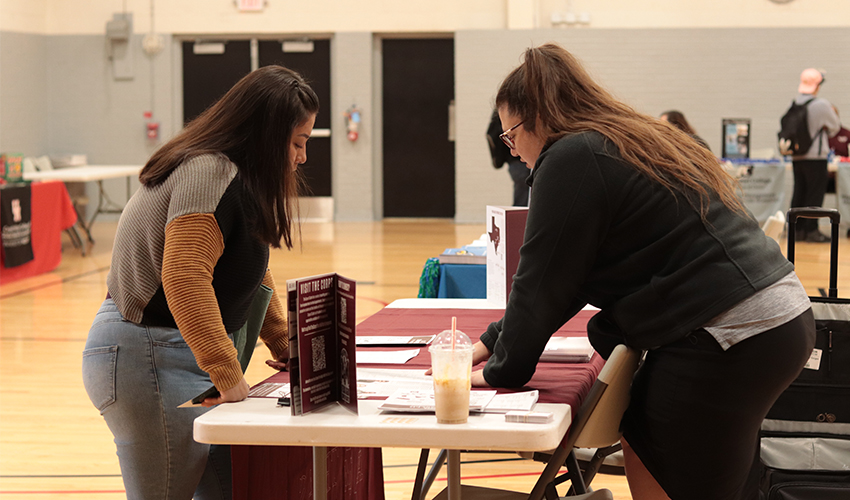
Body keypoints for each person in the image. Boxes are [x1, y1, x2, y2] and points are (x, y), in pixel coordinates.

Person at [471, 43, 815, 500]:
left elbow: (540, 280)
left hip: (729, 331)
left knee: (665, 459)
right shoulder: (621, 137)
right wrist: (495, 342)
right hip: (777, 319)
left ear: (538, 119)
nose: (512, 151)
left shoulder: (570, 158)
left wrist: (501, 371)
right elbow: (566, 273)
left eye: (510, 135)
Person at [81, 65, 318, 499]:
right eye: (297, 143)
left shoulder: (234, 178)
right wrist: (228, 373)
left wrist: (283, 343)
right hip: (148, 356)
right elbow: (185, 277)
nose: (302, 157)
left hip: (179, 355)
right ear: (266, 136)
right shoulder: (209, 171)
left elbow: (247, 269)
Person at [787, 68, 840, 242]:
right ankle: (812, 231)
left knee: (799, 192)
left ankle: (797, 231)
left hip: (797, 156)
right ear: (817, 86)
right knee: (814, 195)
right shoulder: (822, 105)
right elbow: (835, 128)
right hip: (816, 157)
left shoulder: (794, 103)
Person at [487, 108, 530, 206]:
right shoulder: (506, 112)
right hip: (516, 163)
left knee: (524, 196)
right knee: (522, 199)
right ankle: (519, 220)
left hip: (515, 162)